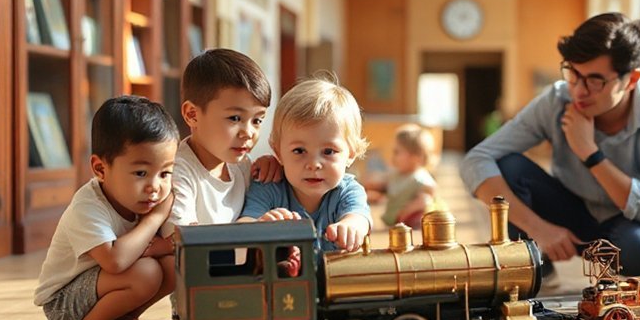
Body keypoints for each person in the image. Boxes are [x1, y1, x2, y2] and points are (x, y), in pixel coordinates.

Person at [459, 13, 640, 284]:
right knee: (509, 166)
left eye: (595, 81)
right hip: (584, 216)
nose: (579, 91)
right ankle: (535, 260)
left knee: (638, 251)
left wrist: (590, 153)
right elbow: (476, 159)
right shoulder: (557, 99)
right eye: (573, 74)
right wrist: (538, 229)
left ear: (631, 80)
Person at [33, 96, 180, 320]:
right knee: (147, 272)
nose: (155, 187)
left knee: (175, 266)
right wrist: (155, 218)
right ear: (101, 168)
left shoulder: (142, 197)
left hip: (105, 286)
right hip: (65, 301)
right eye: (140, 173)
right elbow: (114, 261)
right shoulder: (87, 206)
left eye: (165, 173)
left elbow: (173, 244)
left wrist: (162, 244)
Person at [241, 76, 372, 274]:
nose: (313, 164)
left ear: (351, 154)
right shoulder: (268, 186)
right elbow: (241, 227)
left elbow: (359, 218)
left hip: (335, 286)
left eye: (328, 151)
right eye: (299, 151)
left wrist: (350, 227)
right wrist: (261, 226)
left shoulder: (349, 191)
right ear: (278, 152)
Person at [162, 48, 277, 241]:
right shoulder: (177, 171)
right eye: (234, 118)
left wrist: (272, 167)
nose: (248, 132)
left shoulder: (243, 165)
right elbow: (182, 241)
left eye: (257, 120)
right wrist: (254, 230)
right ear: (192, 114)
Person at [364, 123, 438, 229]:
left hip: (409, 225)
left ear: (415, 157)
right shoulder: (396, 174)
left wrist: (407, 211)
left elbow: (426, 198)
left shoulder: (420, 178)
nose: (393, 156)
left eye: (396, 152)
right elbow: (387, 187)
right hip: (393, 222)